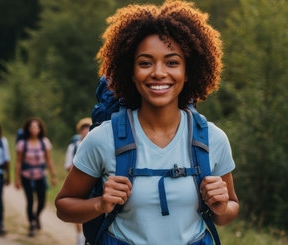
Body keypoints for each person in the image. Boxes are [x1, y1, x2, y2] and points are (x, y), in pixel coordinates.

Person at [55, 1, 239, 245]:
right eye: (145, 63)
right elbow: (63, 207)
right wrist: (99, 204)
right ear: (131, 72)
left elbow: (228, 211)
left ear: (188, 71)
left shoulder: (211, 139)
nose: (158, 73)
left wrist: (222, 206)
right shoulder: (103, 138)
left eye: (172, 62)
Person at [15, 118, 57, 237]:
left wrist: (53, 176)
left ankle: (36, 216)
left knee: (42, 202)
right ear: (28, 129)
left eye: (36, 127)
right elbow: (18, 162)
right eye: (32, 127)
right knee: (30, 201)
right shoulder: (22, 144)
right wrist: (17, 179)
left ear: (40, 129)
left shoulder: (44, 142)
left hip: (41, 175)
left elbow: (49, 160)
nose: (34, 129)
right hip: (26, 176)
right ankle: (31, 225)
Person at [63, 117, 92, 245]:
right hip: (78, 183)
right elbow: (68, 165)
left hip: (92, 184)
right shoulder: (73, 147)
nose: (86, 131)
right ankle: (80, 238)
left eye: (88, 128)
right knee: (79, 212)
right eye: (84, 128)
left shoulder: (95, 144)